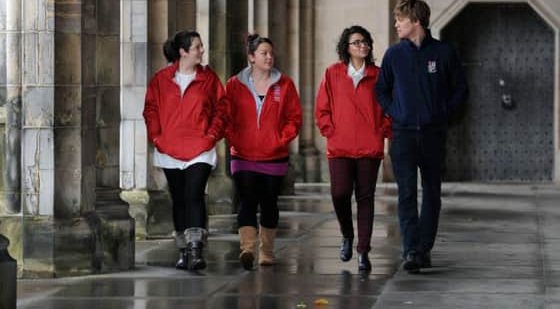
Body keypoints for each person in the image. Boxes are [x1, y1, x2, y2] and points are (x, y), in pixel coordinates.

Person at [375, 0, 468, 273]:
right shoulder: (393, 55)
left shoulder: (444, 52)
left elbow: (461, 90)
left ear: (416, 20)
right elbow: (381, 90)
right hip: (402, 136)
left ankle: (424, 248)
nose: (396, 25)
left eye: (400, 20)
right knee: (405, 194)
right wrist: (396, 113)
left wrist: (442, 115)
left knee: (431, 193)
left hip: (432, 135)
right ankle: (411, 250)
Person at [143, 30, 227, 271]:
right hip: (169, 148)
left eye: (201, 46)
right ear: (183, 51)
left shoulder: (209, 79)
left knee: (194, 194)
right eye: (197, 47)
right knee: (178, 199)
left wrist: (211, 135)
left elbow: (222, 109)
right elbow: (150, 110)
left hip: (200, 147)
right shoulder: (161, 79)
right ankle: (182, 250)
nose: (202, 51)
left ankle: (196, 249)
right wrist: (157, 136)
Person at [315, 26, 391, 272]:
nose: (363, 46)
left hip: (370, 147)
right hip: (340, 147)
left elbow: (391, 106)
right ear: (346, 48)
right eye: (357, 42)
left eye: (365, 41)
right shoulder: (333, 73)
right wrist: (330, 130)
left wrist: (382, 130)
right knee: (339, 193)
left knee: (366, 198)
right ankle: (347, 234)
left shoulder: (379, 75)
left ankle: (363, 252)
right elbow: (322, 108)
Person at [225, 34, 302, 270]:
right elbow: (226, 117)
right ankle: (247, 249)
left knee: (269, 202)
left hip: (274, 155)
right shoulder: (234, 85)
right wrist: (237, 139)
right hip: (243, 155)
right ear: (251, 57)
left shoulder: (285, 84)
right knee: (247, 200)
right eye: (263, 53)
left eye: (271, 53)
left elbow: (294, 118)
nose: (269, 57)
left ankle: (266, 251)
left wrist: (280, 139)